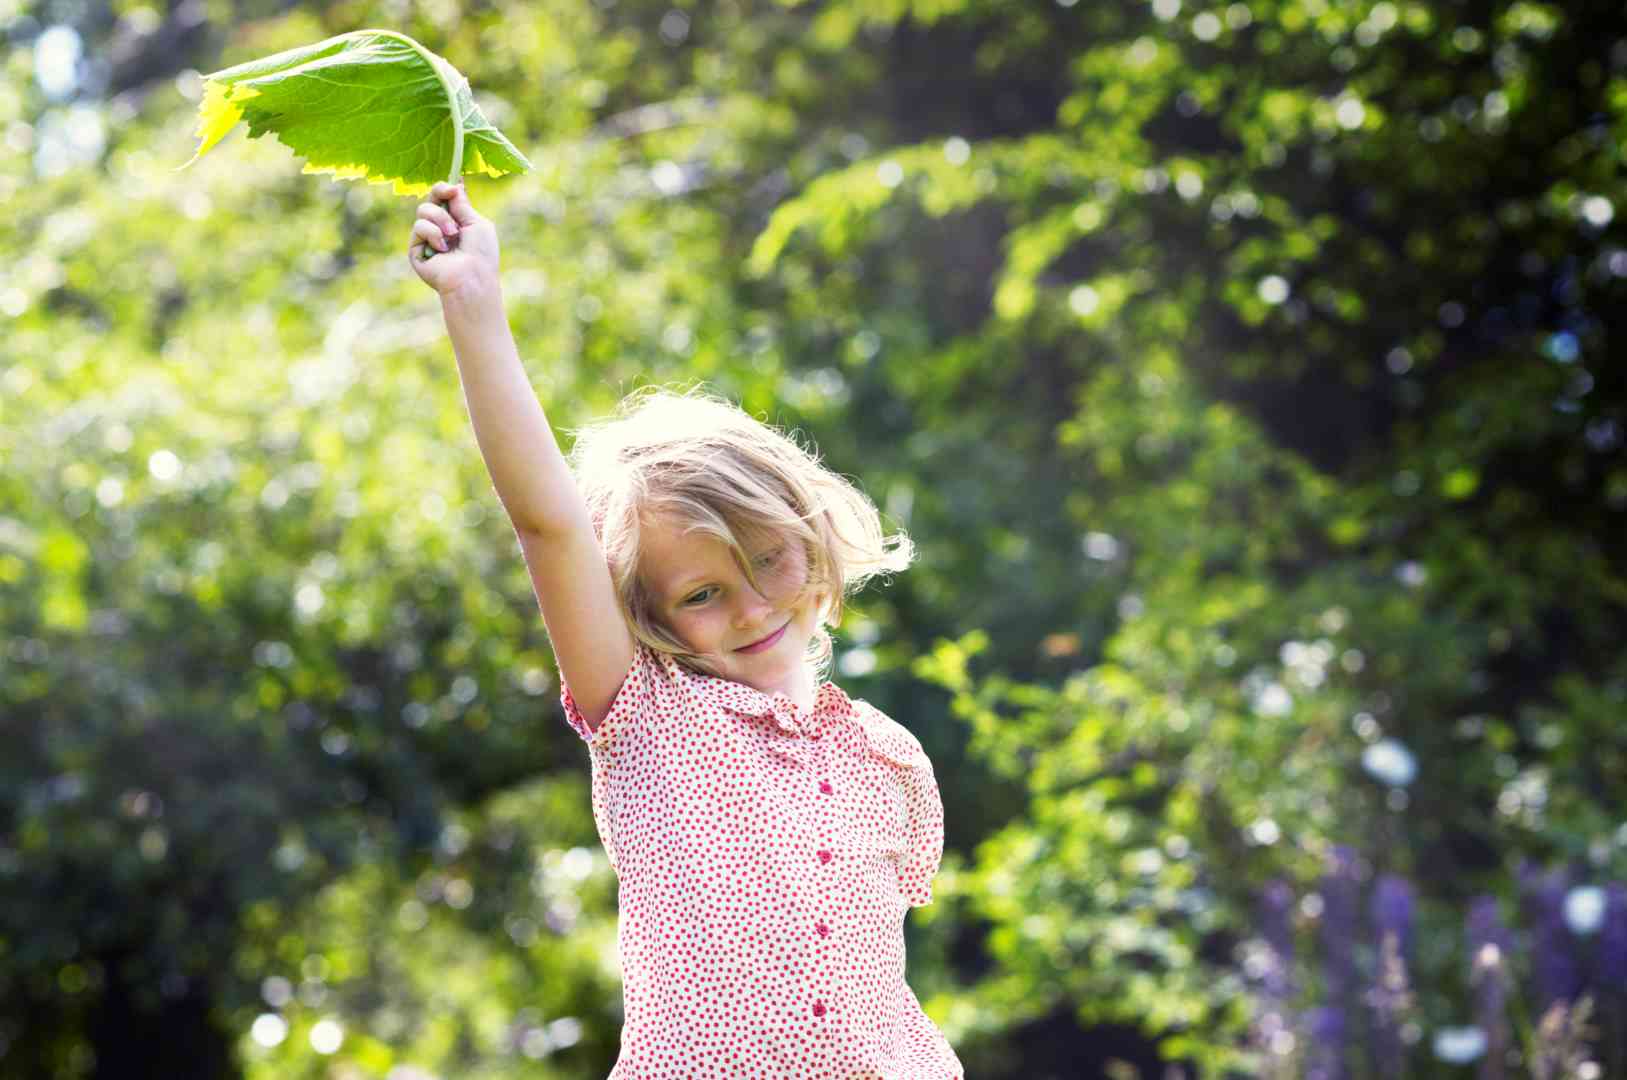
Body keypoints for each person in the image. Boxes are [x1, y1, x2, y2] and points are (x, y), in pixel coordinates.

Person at [408, 181, 965, 1079]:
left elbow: (872, 990)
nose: (749, 608)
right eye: (702, 594)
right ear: (649, 613)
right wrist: (475, 306)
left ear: (811, 539)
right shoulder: (647, 718)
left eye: (767, 562)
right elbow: (546, 523)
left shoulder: (886, 754)